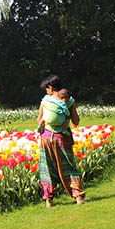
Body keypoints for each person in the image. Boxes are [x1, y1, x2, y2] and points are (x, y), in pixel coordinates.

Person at [36, 74, 84, 207]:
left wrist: (46, 120)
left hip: (46, 137)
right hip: (63, 137)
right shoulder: (69, 101)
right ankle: (78, 196)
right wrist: (66, 118)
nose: (46, 91)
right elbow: (76, 121)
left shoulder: (45, 101)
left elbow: (39, 120)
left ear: (51, 87)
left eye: (47, 88)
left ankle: (48, 200)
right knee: (69, 166)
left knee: (47, 167)